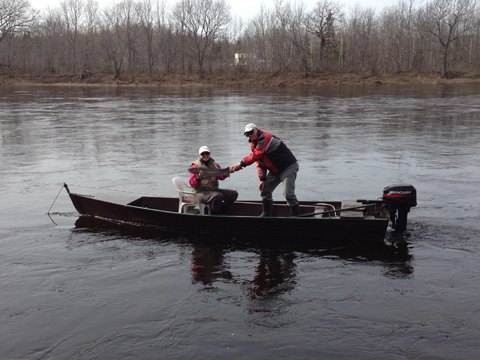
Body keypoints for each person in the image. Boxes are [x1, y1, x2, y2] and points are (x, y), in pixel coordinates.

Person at [230, 123, 300, 217]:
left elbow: (256, 156)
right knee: (265, 191)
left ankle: (295, 216)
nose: (250, 135)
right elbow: (259, 162)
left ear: (256, 130)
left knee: (288, 194)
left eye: (251, 132)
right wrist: (262, 179)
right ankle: (266, 214)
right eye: (247, 134)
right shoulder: (254, 145)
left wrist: (241, 164)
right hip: (275, 171)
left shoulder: (265, 137)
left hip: (288, 167)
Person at [190, 146, 238, 215]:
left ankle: (222, 210)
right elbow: (192, 184)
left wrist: (228, 172)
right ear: (199, 155)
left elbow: (220, 177)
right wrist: (198, 179)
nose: (205, 155)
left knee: (233, 194)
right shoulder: (195, 167)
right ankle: (214, 214)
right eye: (203, 154)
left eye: (207, 153)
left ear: (209, 154)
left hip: (213, 190)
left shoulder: (215, 165)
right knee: (218, 196)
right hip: (200, 193)